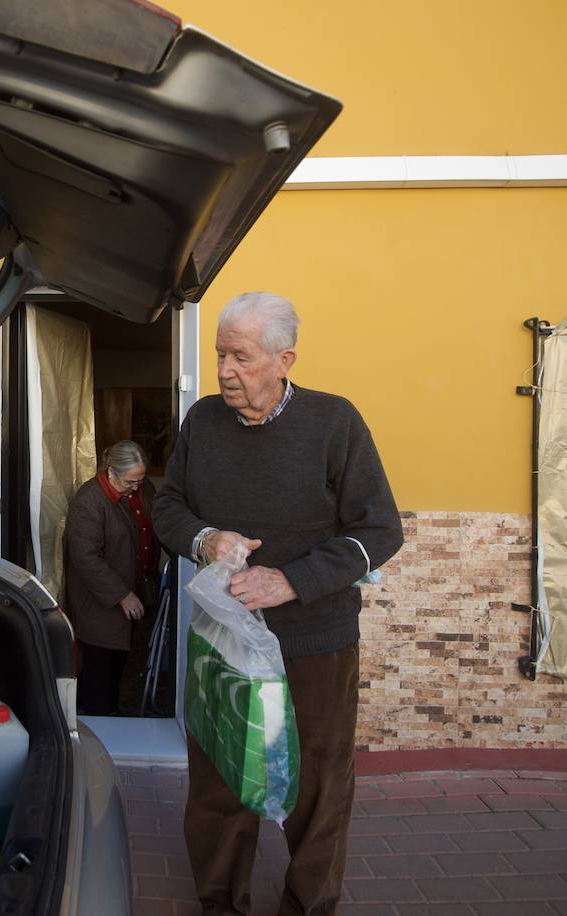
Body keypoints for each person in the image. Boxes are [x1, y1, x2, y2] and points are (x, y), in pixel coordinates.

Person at [154, 291, 403, 916]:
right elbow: (167, 508)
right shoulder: (202, 422)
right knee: (218, 775)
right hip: (223, 640)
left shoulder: (334, 423)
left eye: (240, 356)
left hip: (317, 641)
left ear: (283, 359)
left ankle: (309, 905)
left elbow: (380, 531)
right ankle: (218, 902)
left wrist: (290, 580)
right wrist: (205, 539)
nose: (224, 371)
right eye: (219, 355)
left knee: (319, 782)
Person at [64, 439, 159, 716]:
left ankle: (112, 714)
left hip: (130, 593)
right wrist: (121, 594)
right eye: (130, 481)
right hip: (100, 604)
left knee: (119, 662)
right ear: (111, 472)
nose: (136, 487)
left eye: (141, 480)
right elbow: (85, 557)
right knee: (99, 670)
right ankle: (98, 731)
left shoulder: (141, 491)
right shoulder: (89, 502)